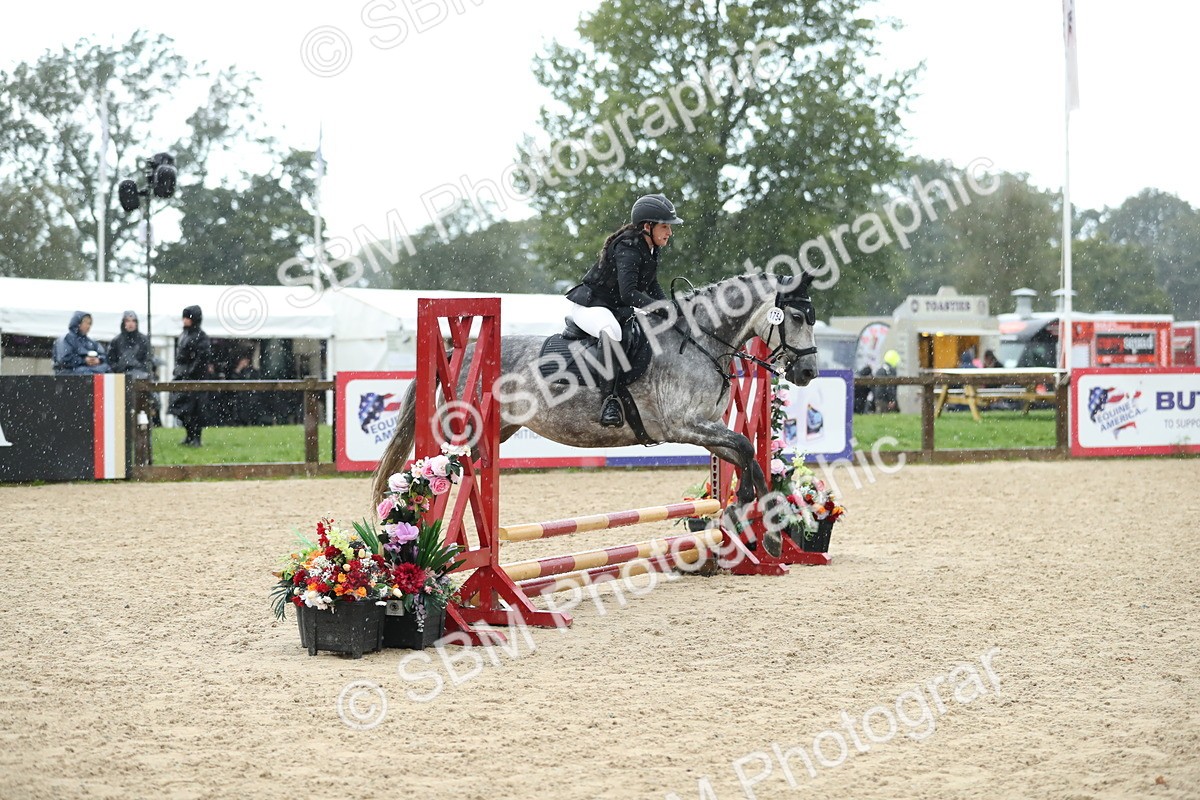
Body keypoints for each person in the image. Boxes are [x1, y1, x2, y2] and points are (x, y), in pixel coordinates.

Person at [564, 193, 681, 426]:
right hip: (592, 306)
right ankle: (609, 401)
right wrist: (661, 310)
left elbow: (652, 284)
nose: (670, 232)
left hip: (615, 308)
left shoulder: (651, 247)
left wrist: (671, 309)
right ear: (647, 226)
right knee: (613, 332)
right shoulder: (628, 246)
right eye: (665, 226)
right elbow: (629, 294)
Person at [168, 305, 213, 446]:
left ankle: (196, 438)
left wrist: (190, 372)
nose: (185, 320)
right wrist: (180, 372)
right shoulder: (184, 335)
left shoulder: (201, 336)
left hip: (196, 378)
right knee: (182, 409)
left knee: (196, 410)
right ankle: (189, 435)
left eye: (188, 317)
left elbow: (202, 358)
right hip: (182, 376)